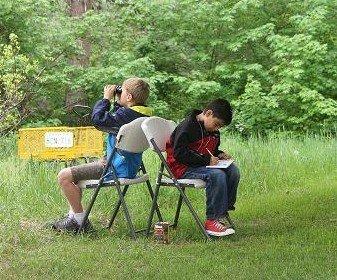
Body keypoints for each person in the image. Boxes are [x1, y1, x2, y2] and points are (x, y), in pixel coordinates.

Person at [52, 77, 153, 233]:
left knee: (64, 176)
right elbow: (114, 120)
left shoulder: (126, 116)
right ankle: (73, 218)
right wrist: (119, 103)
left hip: (113, 168)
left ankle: (80, 222)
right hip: (131, 167)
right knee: (75, 175)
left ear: (129, 97)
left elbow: (98, 120)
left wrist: (106, 99)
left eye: (123, 91)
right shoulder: (143, 116)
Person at [166, 98, 240, 237]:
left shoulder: (212, 129)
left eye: (220, 127)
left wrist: (220, 154)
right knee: (217, 175)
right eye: (217, 124)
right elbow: (179, 154)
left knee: (233, 170)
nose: (217, 129)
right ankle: (212, 220)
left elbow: (212, 150)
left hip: (200, 165)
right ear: (208, 113)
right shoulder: (187, 127)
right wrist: (207, 159)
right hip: (182, 168)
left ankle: (223, 209)